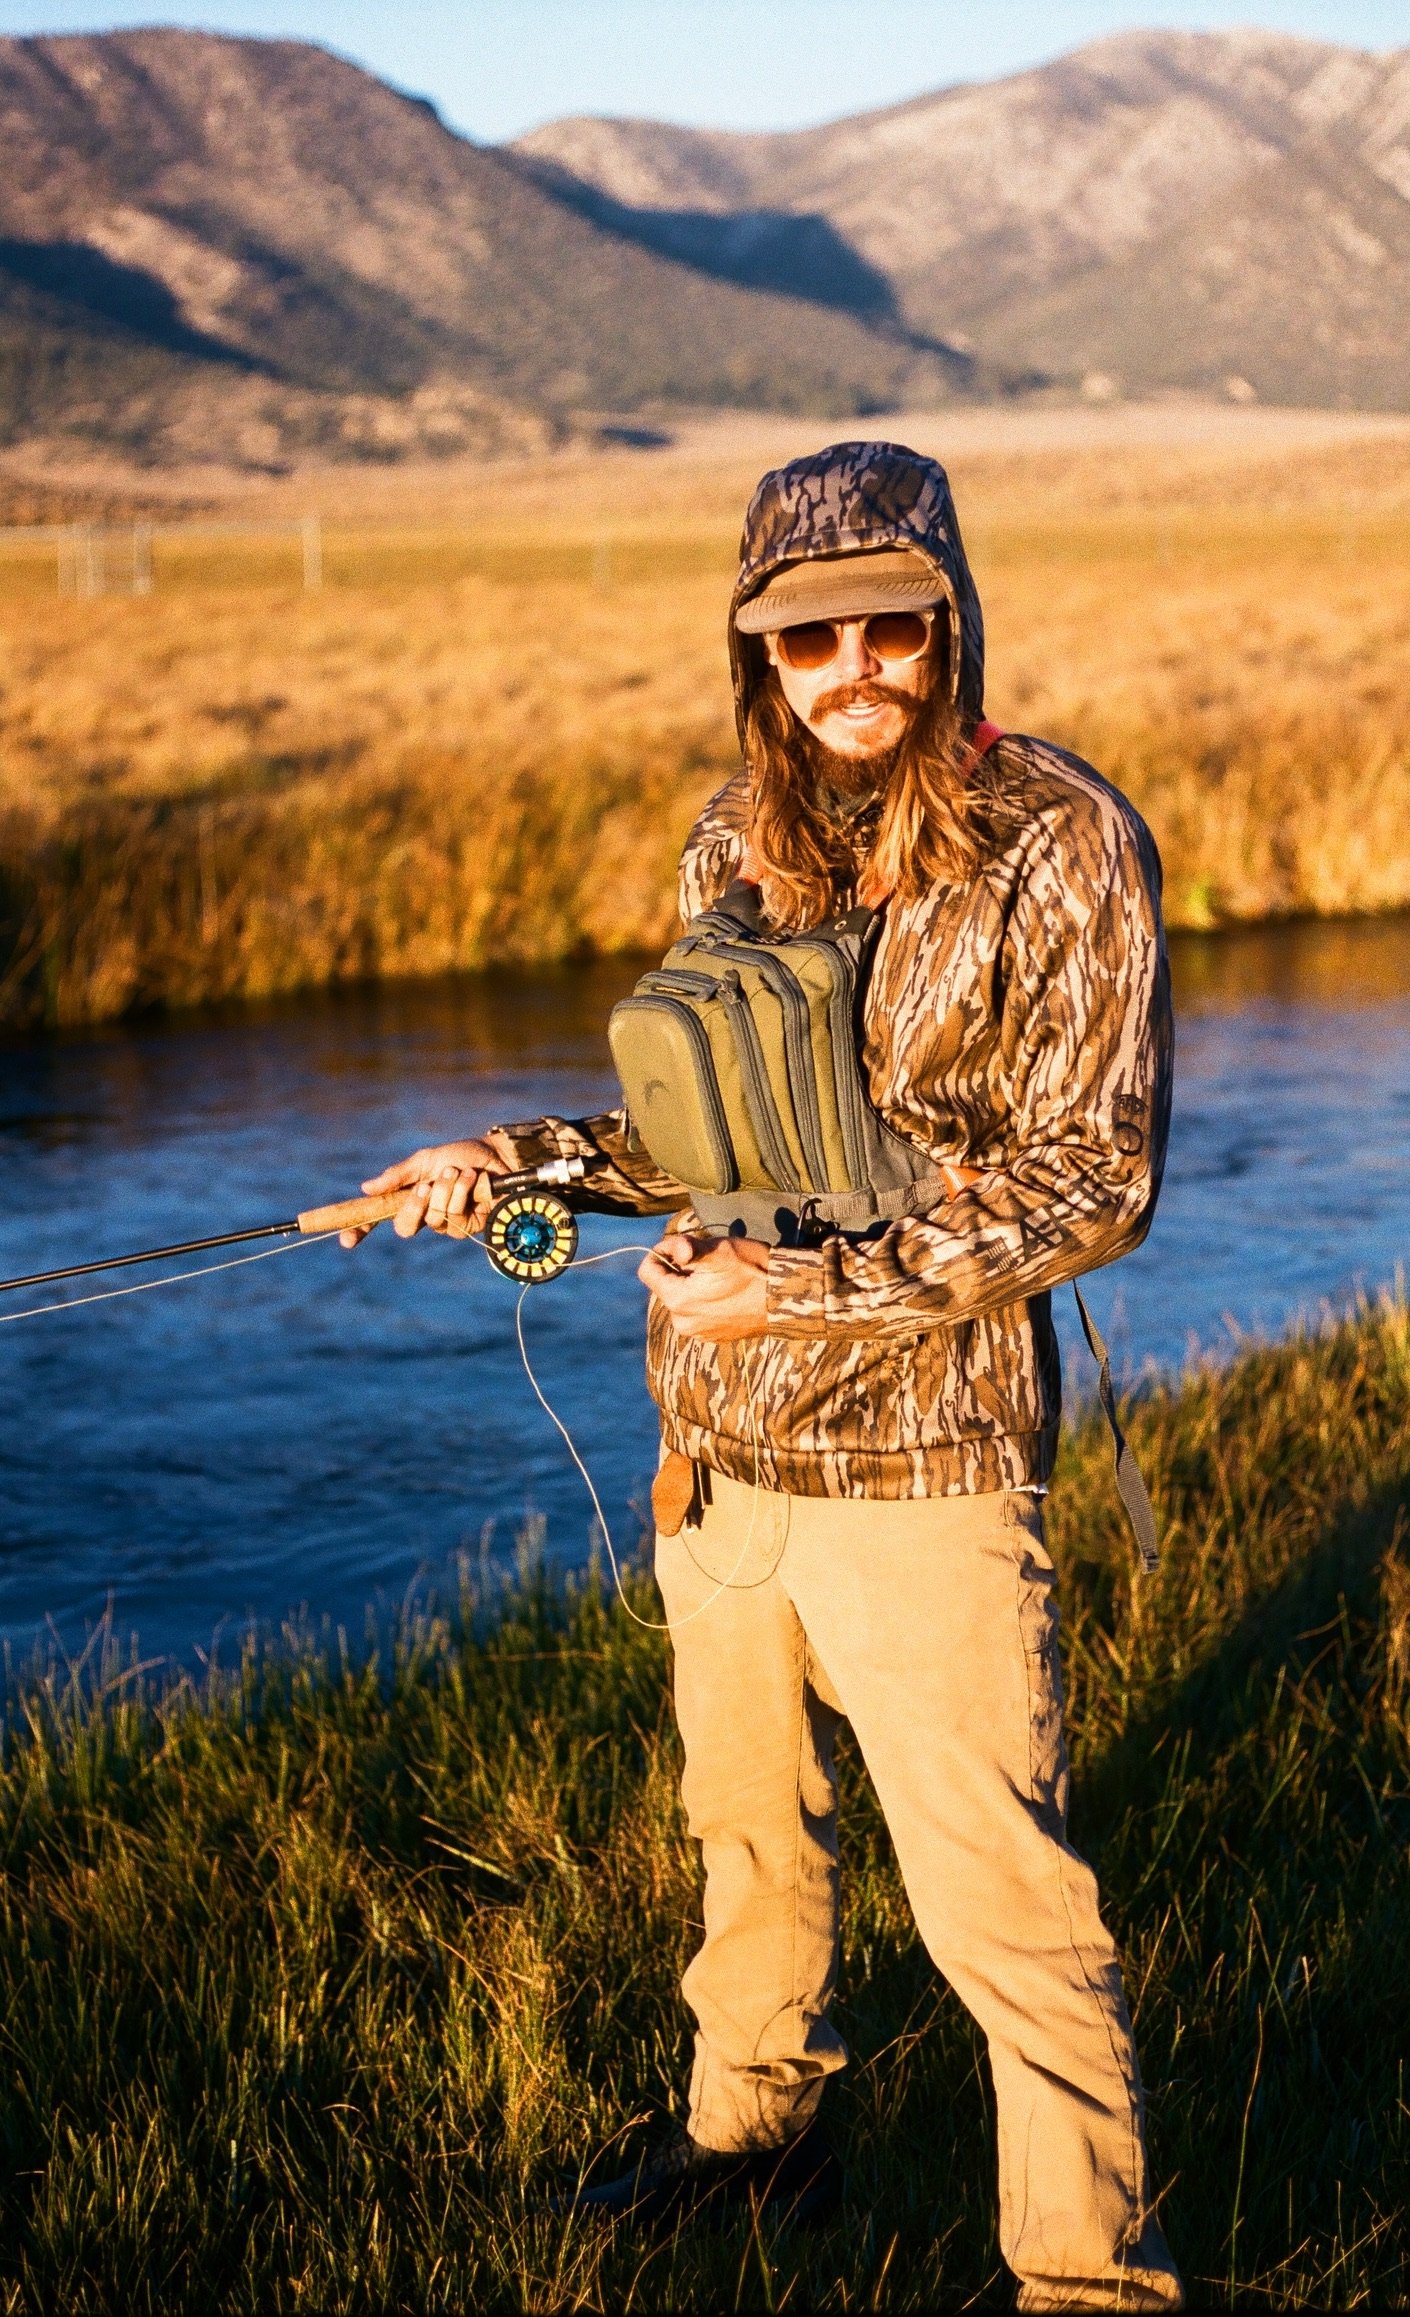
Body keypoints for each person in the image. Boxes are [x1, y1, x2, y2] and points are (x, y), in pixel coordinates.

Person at [348, 442, 1181, 2310]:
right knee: (748, 1834)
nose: (855, 664)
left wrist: (799, 1291)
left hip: (926, 1469)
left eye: (894, 622)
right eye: (812, 637)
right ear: (761, 653)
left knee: (1008, 1911)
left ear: (949, 622)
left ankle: (1091, 2278)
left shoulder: (1066, 838)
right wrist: (509, 1166)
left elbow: (1094, 1180)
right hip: (713, 1461)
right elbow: (686, 1143)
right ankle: (753, 2147)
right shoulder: (731, 838)